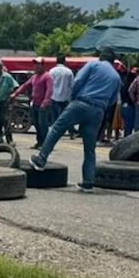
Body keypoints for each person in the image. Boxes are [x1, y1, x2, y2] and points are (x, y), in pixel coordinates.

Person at [29, 49, 123, 192]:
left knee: (56, 129)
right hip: (98, 110)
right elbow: (113, 100)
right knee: (89, 147)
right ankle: (88, 182)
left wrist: (73, 97)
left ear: (101, 58)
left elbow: (78, 81)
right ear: (113, 61)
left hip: (82, 103)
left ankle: (41, 160)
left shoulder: (93, 65)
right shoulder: (116, 77)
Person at [13, 58, 53, 149]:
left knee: (43, 125)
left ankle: (45, 144)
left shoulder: (47, 76)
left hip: (43, 105)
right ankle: (39, 142)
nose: (36, 66)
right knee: (37, 124)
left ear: (43, 65)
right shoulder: (34, 77)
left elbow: (49, 90)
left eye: (38, 64)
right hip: (35, 103)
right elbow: (25, 85)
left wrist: (45, 102)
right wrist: (15, 93)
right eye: (35, 64)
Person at [49, 55, 75, 134]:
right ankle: (71, 132)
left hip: (54, 96)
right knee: (67, 116)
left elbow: (49, 84)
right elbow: (72, 85)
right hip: (65, 97)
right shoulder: (69, 71)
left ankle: (55, 132)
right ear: (64, 61)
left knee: (55, 116)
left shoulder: (52, 71)